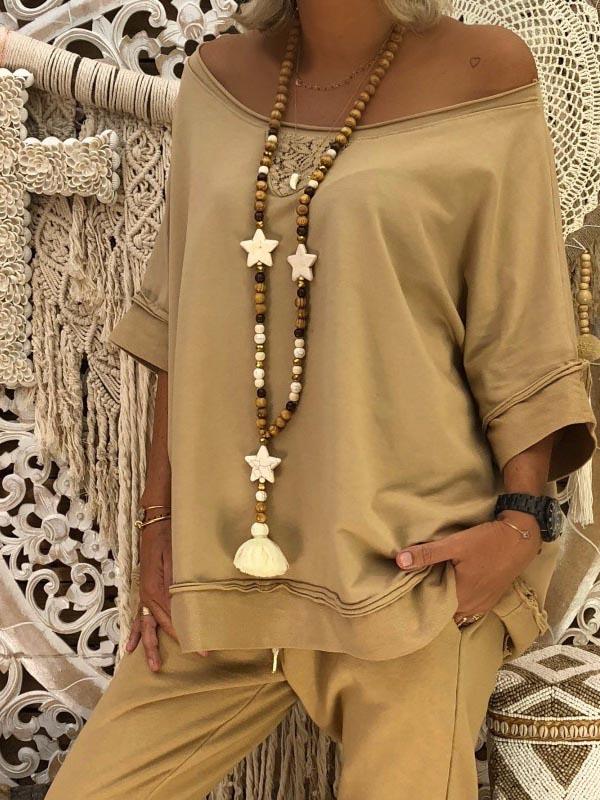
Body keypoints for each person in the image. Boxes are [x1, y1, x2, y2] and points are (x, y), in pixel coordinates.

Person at [46, 1, 597, 797]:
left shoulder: (486, 72)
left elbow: (521, 320)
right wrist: (158, 527)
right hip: (227, 583)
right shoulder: (218, 81)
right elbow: (180, 325)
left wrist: (519, 523)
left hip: (413, 578)